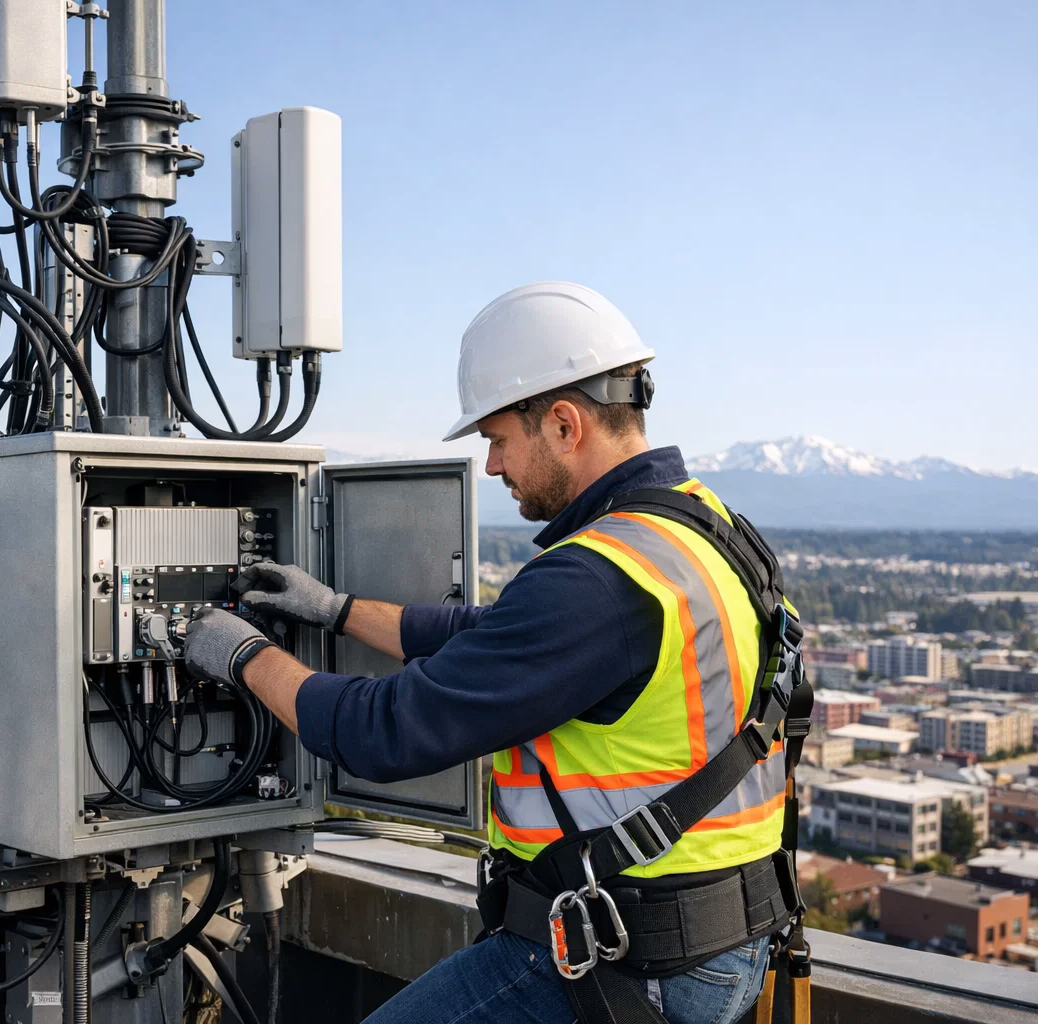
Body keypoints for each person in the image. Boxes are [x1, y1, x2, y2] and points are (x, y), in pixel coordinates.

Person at [184, 282, 812, 1024]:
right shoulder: (704, 531)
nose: (490, 465)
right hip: (724, 939)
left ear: (565, 424)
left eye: (498, 438)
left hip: (630, 958)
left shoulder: (597, 578)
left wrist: (245, 655)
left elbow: (381, 732)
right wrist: (337, 611)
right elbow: (499, 635)